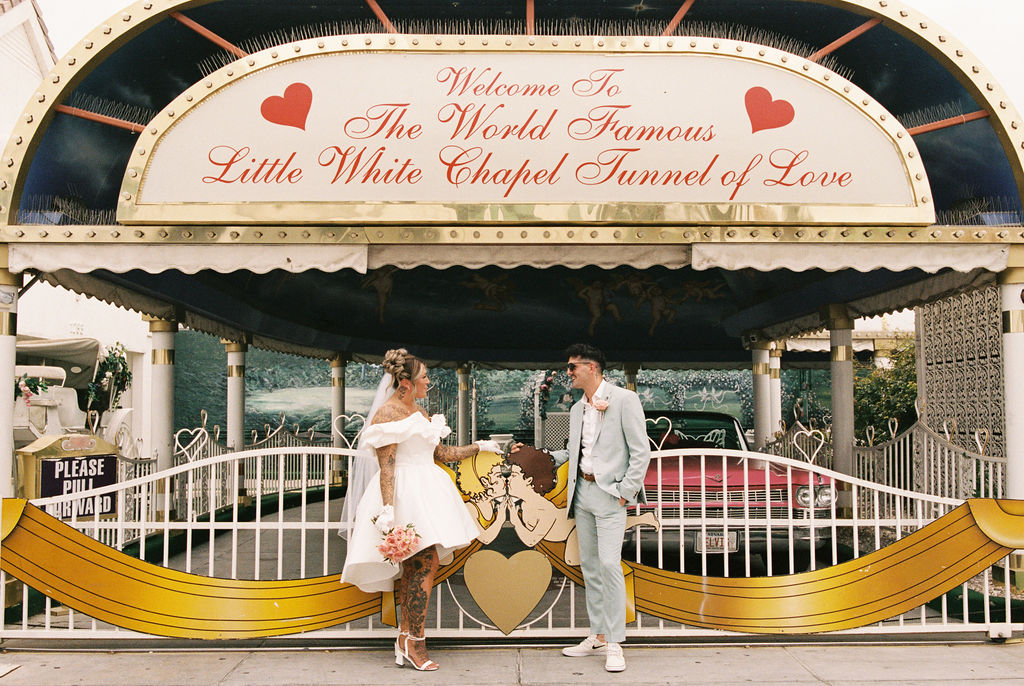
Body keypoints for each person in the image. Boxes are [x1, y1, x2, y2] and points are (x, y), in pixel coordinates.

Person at [340, 348, 500, 671]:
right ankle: (415, 642)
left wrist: (478, 447)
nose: (428, 380)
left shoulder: (422, 412)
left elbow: (440, 452)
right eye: (424, 376)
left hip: (429, 490)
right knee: (424, 563)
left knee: (418, 568)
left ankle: (406, 637)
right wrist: (388, 511)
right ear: (405, 382)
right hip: (403, 494)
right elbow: (386, 467)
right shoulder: (387, 414)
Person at [547, 343, 651, 672]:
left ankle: (616, 642)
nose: (568, 373)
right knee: (590, 567)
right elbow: (572, 453)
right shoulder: (578, 408)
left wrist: (626, 492)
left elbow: (640, 451)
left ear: (592, 368)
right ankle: (597, 634)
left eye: (572, 367)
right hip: (582, 494)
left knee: (609, 565)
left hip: (610, 496)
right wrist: (540, 456)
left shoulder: (624, 400)